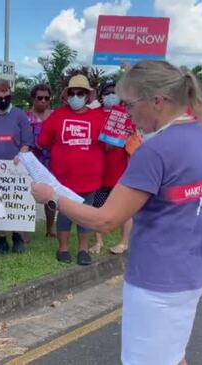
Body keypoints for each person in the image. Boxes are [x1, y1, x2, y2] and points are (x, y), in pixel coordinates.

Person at [32, 60, 202, 365]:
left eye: (131, 104)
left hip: (158, 280)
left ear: (157, 101)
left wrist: (52, 195)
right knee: (173, 353)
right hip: (195, 270)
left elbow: (105, 220)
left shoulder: (155, 151)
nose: (127, 112)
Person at [37, 75, 106, 266]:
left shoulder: (99, 117)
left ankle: (83, 250)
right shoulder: (57, 116)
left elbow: (107, 146)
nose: (76, 96)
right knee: (65, 214)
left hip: (90, 178)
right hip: (63, 180)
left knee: (85, 214)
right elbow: (43, 142)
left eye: (80, 93)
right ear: (67, 95)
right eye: (72, 93)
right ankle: (63, 248)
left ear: (87, 96)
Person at [0, 79, 34, 255]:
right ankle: (2, 239)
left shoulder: (19, 115)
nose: (3, 99)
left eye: (6, 95)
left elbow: (26, 142)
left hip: (16, 168)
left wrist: (21, 155)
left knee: (14, 203)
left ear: (10, 94)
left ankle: (17, 237)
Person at [89, 80, 133, 256]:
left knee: (124, 209)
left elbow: (131, 141)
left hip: (120, 171)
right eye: (107, 92)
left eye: (114, 92)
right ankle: (98, 242)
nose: (110, 95)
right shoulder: (93, 114)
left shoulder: (126, 116)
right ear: (101, 94)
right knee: (97, 207)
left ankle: (124, 242)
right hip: (97, 170)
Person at [26, 83, 55, 238]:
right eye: (39, 98)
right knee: (29, 194)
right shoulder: (26, 117)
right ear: (33, 98)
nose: (43, 101)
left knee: (51, 196)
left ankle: (50, 229)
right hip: (31, 161)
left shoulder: (55, 116)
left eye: (46, 98)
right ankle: (28, 230)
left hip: (51, 162)